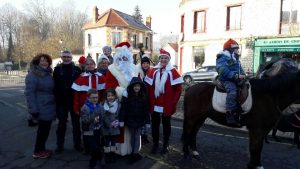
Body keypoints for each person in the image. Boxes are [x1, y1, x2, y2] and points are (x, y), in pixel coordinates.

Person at [144, 49, 184, 154]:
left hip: (167, 103)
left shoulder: (173, 71)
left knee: (167, 125)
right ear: (159, 59)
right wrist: (148, 100)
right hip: (155, 103)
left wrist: (173, 102)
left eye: (166, 58)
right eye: (162, 58)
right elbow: (148, 87)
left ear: (169, 59)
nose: (163, 60)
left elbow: (178, 89)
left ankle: (165, 145)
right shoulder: (153, 71)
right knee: (155, 125)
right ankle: (155, 144)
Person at [105, 41, 138, 156]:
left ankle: (133, 148)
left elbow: (139, 84)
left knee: (133, 126)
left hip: (133, 103)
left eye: (125, 57)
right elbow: (109, 85)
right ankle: (119, 150)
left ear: (129, 57)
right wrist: (121, 91)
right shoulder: (111, 69)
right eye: (121, 57)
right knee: (119, 127)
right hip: (118, 102)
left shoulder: (134, 68)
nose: (123, 59)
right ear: (117, 57)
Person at [24, 53, 56, 159]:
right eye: (42, 60)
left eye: (46, 61)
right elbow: (29, 93)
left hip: (48, 106)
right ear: (37, 62)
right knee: (42, 131)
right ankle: (37, 151)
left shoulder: (47, 74)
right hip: (40, 107)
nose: (44, 62)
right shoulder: (32, 75)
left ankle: (42, 149)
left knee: (45, 131)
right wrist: (33, 110)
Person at [72, 58, 106, 153]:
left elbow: (104, 92)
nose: (90, 66)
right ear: (85, 66)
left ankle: (96, 146)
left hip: (97, 108)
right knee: (86, 129)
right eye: (88, 64)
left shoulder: (101, 77)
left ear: (94, 65)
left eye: (91, 64)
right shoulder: (80, 78)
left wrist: (102, 102)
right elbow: (76, 96)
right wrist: (76, 108)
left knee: (96, 127)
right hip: (85, 109)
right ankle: (87, 148)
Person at [53, 50, 82, 153]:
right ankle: (59, 146)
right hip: (61, 102)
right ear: (61, 57)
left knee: (76, 125)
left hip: (74, 101)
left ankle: (77, 145)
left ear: (71, 58)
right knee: (61, 124)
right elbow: (54, 86)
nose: (66, 58)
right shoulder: (56, 70)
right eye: (64, 56)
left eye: (68, 57)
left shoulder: (77, 70)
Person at [119, 77, 150, 163]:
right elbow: (123, 109)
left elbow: (146, 110)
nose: (137, 88)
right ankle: (134, 153)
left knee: (137, 137)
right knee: (133, 137)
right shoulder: (127, 96)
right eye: (135, 86)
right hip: (130, 120)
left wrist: (147, 121)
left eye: (138, 86)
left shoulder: (143, 96)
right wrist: (121, 120)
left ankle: (135, 153)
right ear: (132, 87)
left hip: (140, 120)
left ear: (141, 87)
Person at [216, 38, 246, 126]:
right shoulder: (222, 57)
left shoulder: (235, 58)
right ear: (230, 49)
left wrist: (244, 75)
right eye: (236, 49)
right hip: (226, 80)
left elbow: (240, 69)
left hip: (236, 79)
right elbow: (222, 70)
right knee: (232, 92)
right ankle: (229, 114)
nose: (238, 50)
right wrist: (235, 76)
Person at [80, 89, 104, 169]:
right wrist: (94, 114)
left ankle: (95, 162)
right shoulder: (85, 108)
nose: (95, 99)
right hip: (89, 132)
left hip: (97, 130)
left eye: (96, 98)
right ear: (88, 98)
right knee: (95, 148)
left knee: (98, 147)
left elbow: (102, 118)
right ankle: (95, 163)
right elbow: (85, 120)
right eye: (93, 98)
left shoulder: (99, 106)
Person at [102, 88, 121, 163]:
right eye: (108, 96)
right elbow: (103, 116)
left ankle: (112, 155)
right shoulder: (103, 105)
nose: (110, 97)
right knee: (107, 142)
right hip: (106, 127)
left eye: (112, 95)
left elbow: (119, 114)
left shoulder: (118, 105)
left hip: (115, 127)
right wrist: (108, 124)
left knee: (113, 142)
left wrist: (118, 122)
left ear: (115, 96)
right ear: (106, 97)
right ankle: (107, 155)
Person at [136, 54, 152, 144]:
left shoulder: (151, 72)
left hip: (148, 98)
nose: (145, 65)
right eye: (144, 63)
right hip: (140, 98)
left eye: (147, 63)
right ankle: (140, 135)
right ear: (141, 64)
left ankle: (145, 135)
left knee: (147, 118)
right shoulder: (138, 73)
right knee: (140, 117)